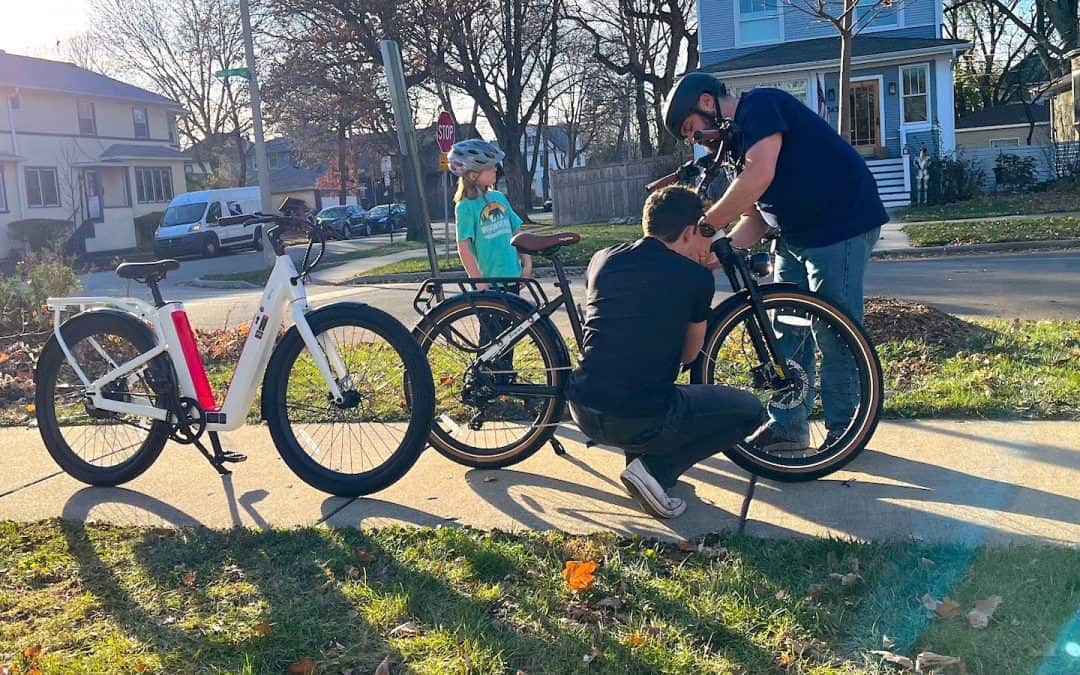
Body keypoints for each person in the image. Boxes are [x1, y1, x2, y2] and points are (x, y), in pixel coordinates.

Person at [660, 73, 887, 452]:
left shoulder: (760, 106)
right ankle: (789, 426)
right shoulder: (736, 146)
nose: (695, 141)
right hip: (796, 236)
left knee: (835, 333)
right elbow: (757, 218)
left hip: (842, 226)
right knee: (787, 331)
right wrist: (717, 252)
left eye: (691, 129)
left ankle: (844, 430)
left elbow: (760, 174)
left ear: (706, 102)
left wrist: (706, 226)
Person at [565, 186, 766, 519]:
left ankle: (639, 465)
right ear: (689, 232)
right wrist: (698, 286)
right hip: (636, 415)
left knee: (631, 367)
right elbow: (690, 355)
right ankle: (655, 469)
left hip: (583, 407)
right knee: (749, 410)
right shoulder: (695, 277)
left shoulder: (602, 259)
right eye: (703, 232)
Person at [448, 139, 532, 377]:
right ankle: (483, 380)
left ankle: (506, 376)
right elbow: (463, 247)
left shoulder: (499, 198)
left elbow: (517, 232)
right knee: (490, 338)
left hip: (511, 278)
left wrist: (526, 263)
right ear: (473, 174)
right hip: (490, 283)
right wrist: (478, 282)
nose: (496, 169)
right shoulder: (465, 207)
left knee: (511, 334)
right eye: (491, 166)